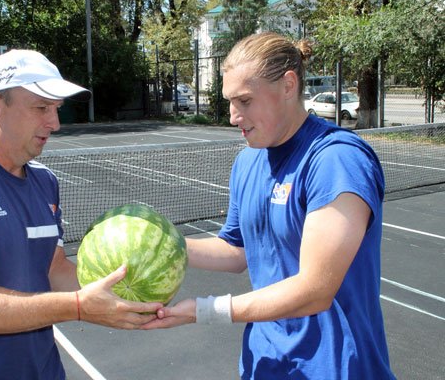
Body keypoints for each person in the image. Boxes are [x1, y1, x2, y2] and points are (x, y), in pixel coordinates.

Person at [143, 32, 396, 379]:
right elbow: (237, 252)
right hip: (264, 364)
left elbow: (315, 290)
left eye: (244, 101)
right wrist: (161, 243)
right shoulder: (248, 161)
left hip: (336, 368)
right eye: (230, 101)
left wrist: (204, 310)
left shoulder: (337, 160)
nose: (233, 116)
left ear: (288, 85)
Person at [0, 49, 162, 380]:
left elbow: (53, 268)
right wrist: (80, 306)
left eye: (56, 109)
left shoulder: (44, 181)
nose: (54, 123)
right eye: (41, 108)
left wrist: (130, 296)